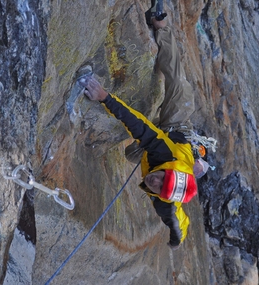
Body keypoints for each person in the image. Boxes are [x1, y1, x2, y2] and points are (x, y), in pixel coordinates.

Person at [81, 7, 201, 250]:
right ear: (168, 170)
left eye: (157, 186)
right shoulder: (163, 155)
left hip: (152, 151)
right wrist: (105, 97)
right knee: (180, 87)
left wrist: (176, 240)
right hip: (176, 131)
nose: (153, 181)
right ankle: (161, 29)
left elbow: (178, 222)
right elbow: (137, 124)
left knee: (129, 155)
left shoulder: (164, 204)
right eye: (161, 178)